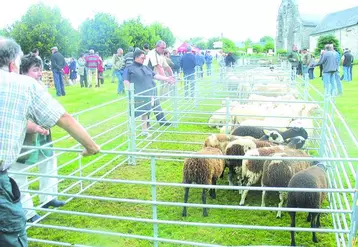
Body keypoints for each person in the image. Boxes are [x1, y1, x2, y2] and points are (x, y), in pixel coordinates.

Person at [0, 37, 100, 247]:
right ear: (12, 65)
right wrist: (90, 146)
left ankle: (46, 198)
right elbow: (63, 118)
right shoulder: (21, 85)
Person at [11, 54, 65, 224]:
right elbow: (16, 117)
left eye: (40, 69)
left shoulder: (39, 86)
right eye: (35, 70)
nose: (40, 73)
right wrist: (35, 127)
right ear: (23, 71)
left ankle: (48, 198)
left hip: (42, 134)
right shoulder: (16, 88)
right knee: (18, 173)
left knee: (49, 161)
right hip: (22, 137)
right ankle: (27, 212)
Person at [123, 49, 175, 136]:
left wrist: (167, 78)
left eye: (144, 57)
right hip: (135, 94)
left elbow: (155, 75)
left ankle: (145, 131)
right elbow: (125, 81)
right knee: (133, 113)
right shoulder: (129, 68)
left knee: (146, 112)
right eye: (142, 57)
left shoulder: (145, 67)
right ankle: (132, 132)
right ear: (136, 57)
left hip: (147, 94)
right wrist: (130, 92)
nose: (144, 59)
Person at [145, 40, 173, 125]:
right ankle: (147, 123)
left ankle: (162, 121)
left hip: (152, 79)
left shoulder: (160, 55)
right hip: (146, 79)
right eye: (162, 48)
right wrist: (166, 79)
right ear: (156, 47)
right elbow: (159, 67)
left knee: (155, 100)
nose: (164, 50)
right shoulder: (152, 54)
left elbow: (167, 67)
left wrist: (172, 77)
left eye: (165, 48)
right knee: (149, 101)